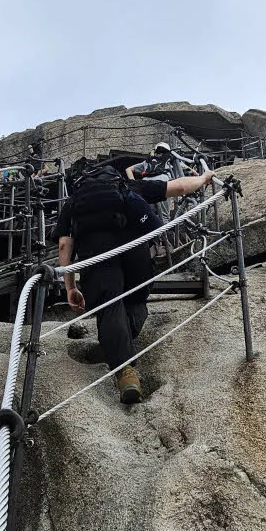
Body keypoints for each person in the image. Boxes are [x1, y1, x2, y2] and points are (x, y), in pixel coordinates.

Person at [56, 158, 216, 404]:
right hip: (136, 255)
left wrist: (70, 286)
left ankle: (124, 369)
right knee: (136, 301)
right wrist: (205, 178)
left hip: (97, 259)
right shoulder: (128, 189)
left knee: (109, 306)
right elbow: (180, 187)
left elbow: (65, 245)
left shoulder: (73, 203)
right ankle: (120, 345)